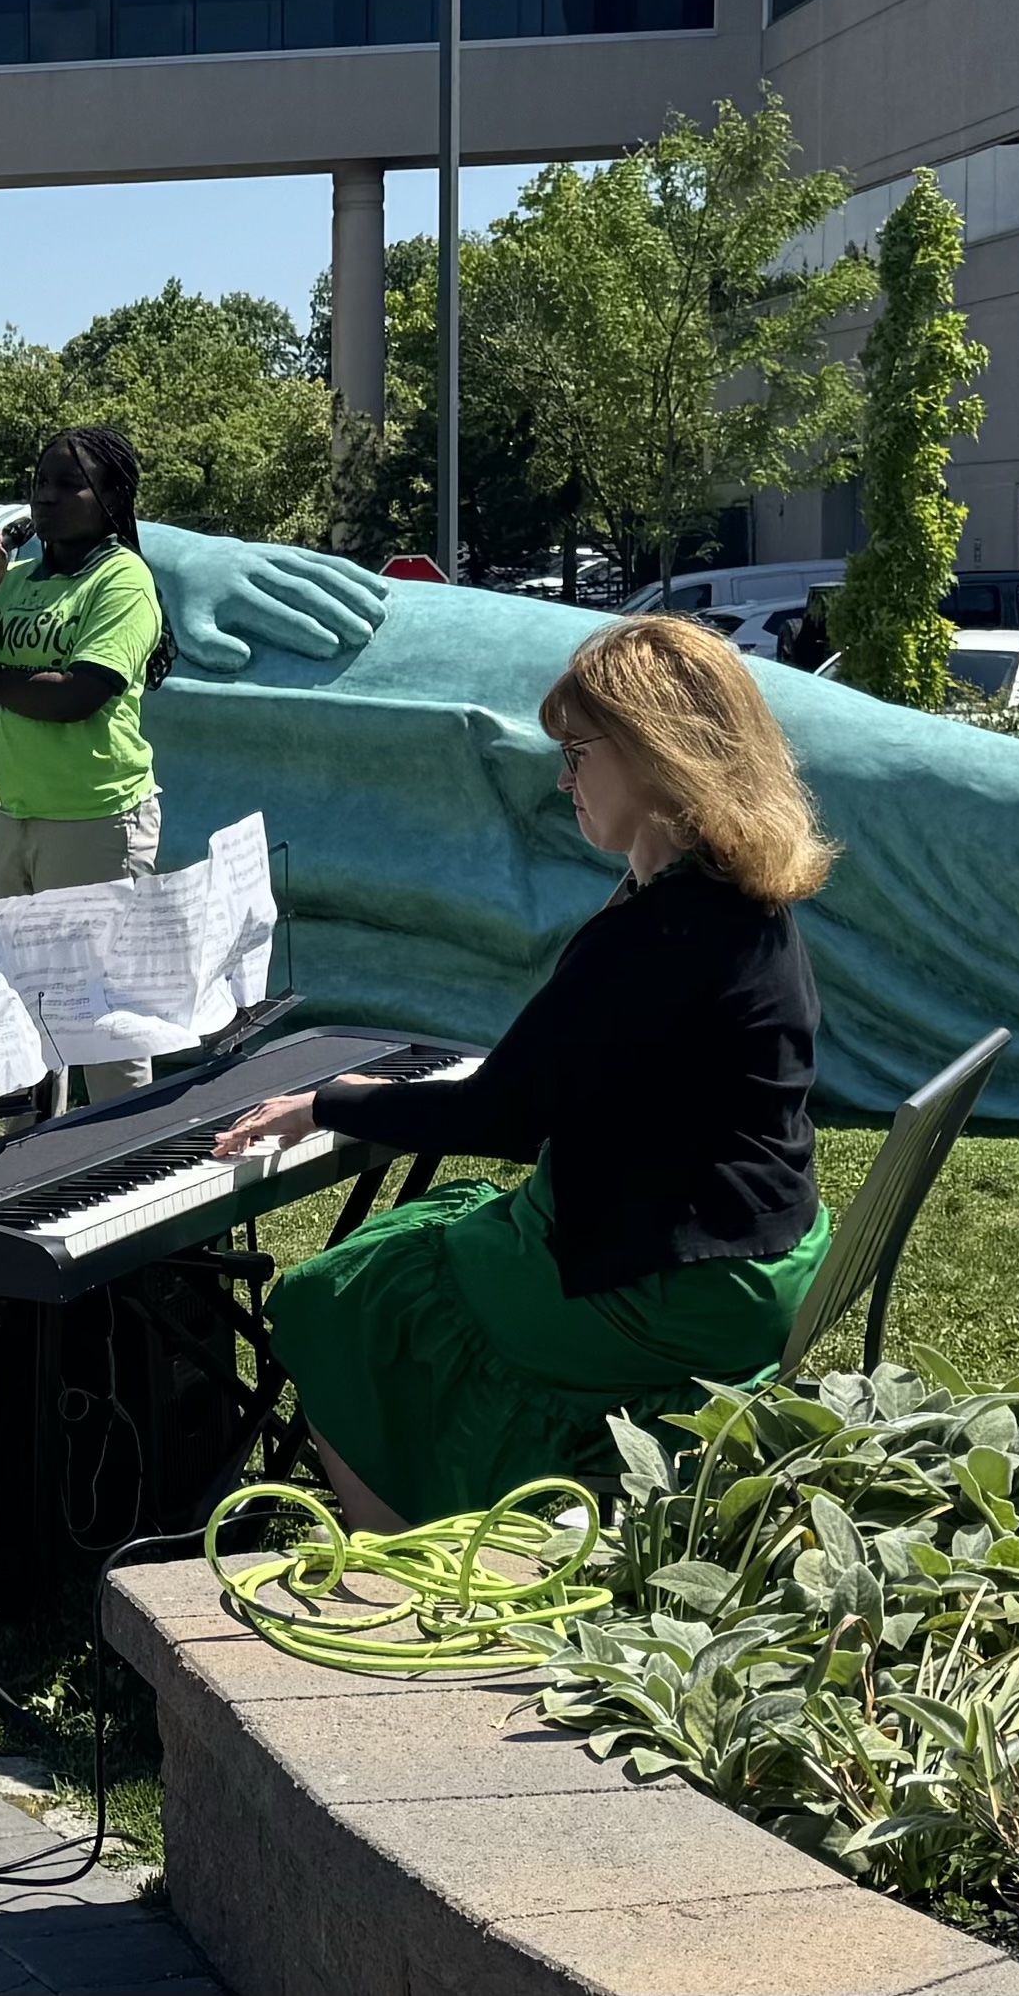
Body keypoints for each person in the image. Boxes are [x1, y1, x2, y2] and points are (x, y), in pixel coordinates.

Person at [208, 613, 835, 1531]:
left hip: (682, 1286)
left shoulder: (658, 934)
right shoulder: (732, 902)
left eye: (578, 751)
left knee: (332, 1298)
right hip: (754, 1246)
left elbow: (499, 1116)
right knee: (434, 1225)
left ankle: (402, 1562)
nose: (562, 776)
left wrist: (325, 1102)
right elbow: (565, 1080)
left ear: (655, 754)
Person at [0, 423, 174, 1115]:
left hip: (96, 819)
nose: (45, 498)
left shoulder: (122, 579)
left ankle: (124, 1170)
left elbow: (78, 694)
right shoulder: (11, 581)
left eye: (68, 483)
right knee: (17, 1003)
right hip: (11, 814)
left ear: (111, 498)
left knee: (97, 1007)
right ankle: (27, 1161)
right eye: (39, 482)